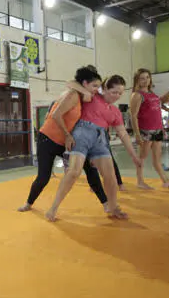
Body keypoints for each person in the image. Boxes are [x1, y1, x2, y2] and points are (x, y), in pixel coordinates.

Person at [45, 75, 142, 222]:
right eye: (114, 92)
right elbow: (69, 82)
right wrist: (85, 92)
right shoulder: (93, 96)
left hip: (100, 139)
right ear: (105, 89)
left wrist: (134, 156)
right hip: (82, 134)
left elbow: (123, 134)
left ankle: (113, 207)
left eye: (120, 93)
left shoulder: (115, 112)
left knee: (110, 176)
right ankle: (53, 208)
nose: (116, 96)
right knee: (74, 172)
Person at [18, 66, 110, 213]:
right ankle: (29, 203)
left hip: (64, 141)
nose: (96, 89)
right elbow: (56, 115)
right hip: (47, 139)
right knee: (43, 178)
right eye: (94, 86)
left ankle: (106, 204)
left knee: (89, 167)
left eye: (98, 86)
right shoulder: (73, 95)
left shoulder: (84, 96)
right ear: (84, 83)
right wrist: (68, 135)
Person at [129, 68, 169, 189]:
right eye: (142, 78)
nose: (145, 80)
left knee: (157, 158)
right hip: (146, 131)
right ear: (137, 81)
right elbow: (133, 116)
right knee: (142, 157)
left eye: (147, 77)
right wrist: (137, 134)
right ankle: (140, 181)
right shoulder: (137, 95)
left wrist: (168, 110)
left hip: (158, 129)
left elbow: (156, 106)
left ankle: (165, 180)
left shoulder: (152, 94)